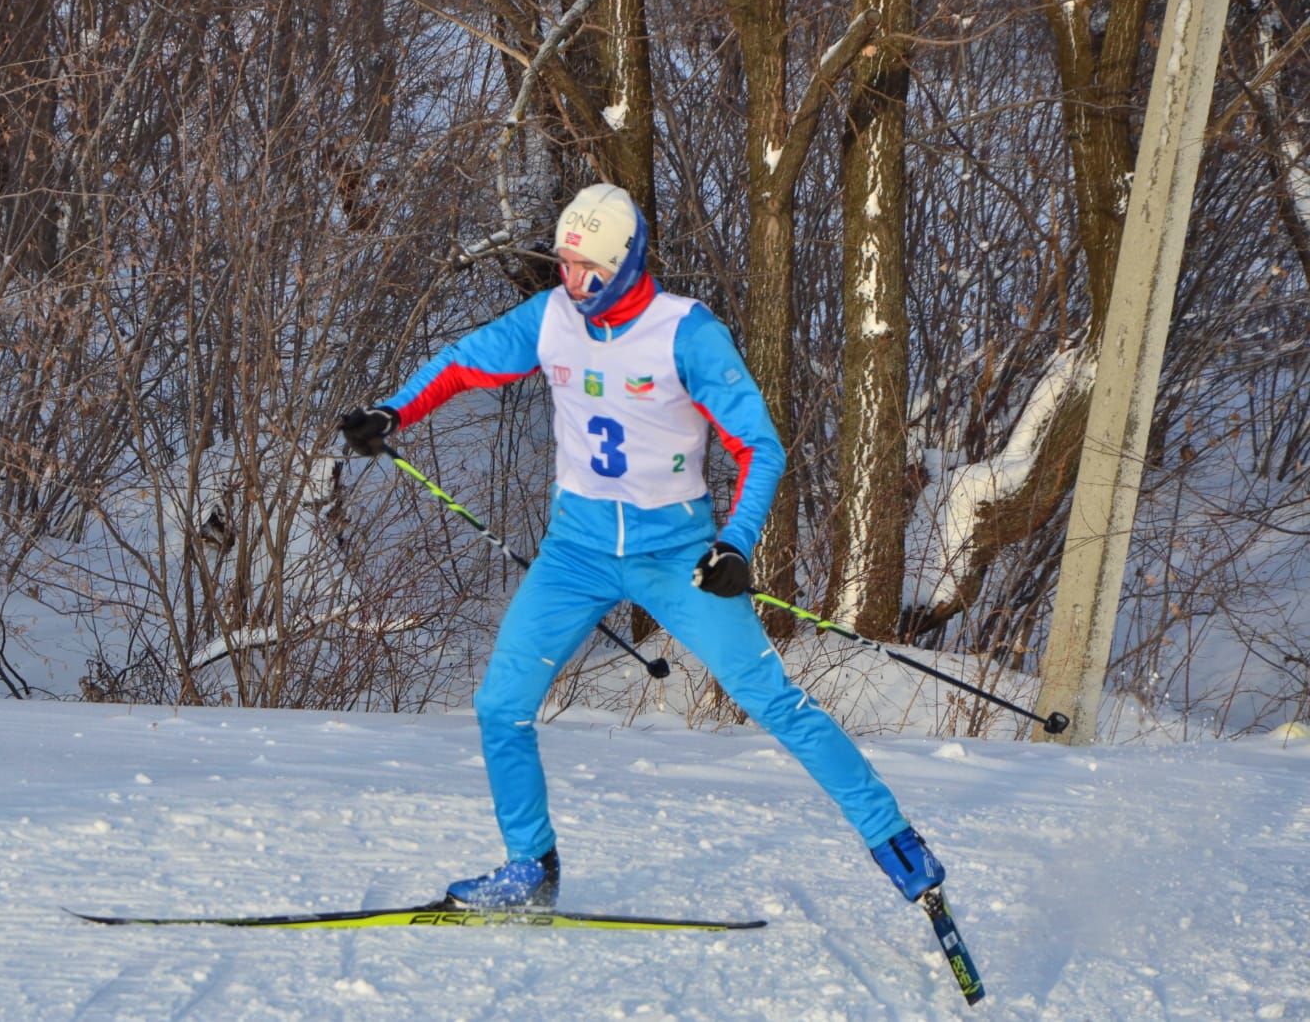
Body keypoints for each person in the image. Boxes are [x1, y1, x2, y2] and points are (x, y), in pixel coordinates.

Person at [339, 184, 943, 908]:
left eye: (589, 269)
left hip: (676, 556)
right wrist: (393, 408)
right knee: (502, 704)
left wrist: (736, 543)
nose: (574, 282)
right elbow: (466, 361)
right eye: (565, 265)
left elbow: (759, 445)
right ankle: (530, 866)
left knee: (772, 700)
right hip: (576, 551)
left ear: (625, 264)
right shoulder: (551, 317)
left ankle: (895, 838)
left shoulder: (685, 332)